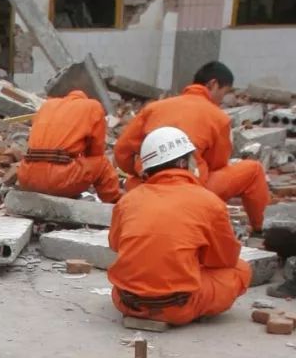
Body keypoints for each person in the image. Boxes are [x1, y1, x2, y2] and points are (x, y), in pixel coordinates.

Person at [107, 126, 251, 327]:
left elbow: (115, 245)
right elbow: (223, 260)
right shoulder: (208, 202)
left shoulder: (128, 200)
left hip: (126, 301)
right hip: (178, 307)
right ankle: (179, 311)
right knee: (240, 270)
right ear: (183, 162)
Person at [114, 61, 271, 233]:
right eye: (223, 93)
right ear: (213, 84)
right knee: (253, 170)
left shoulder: (154, 108)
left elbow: (122, 152)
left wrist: (140, 171)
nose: (221, 100)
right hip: (191, 189)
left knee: (131, 182)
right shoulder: (217, 117)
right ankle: (260, 229)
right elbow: (217, 163)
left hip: (148, 186)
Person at [16, 89, 119, 204]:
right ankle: (114, 203)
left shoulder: (47, 105)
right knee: (102, 163)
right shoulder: (92, 106)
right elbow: (96, 152)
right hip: (59, 180)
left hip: (27, 177)